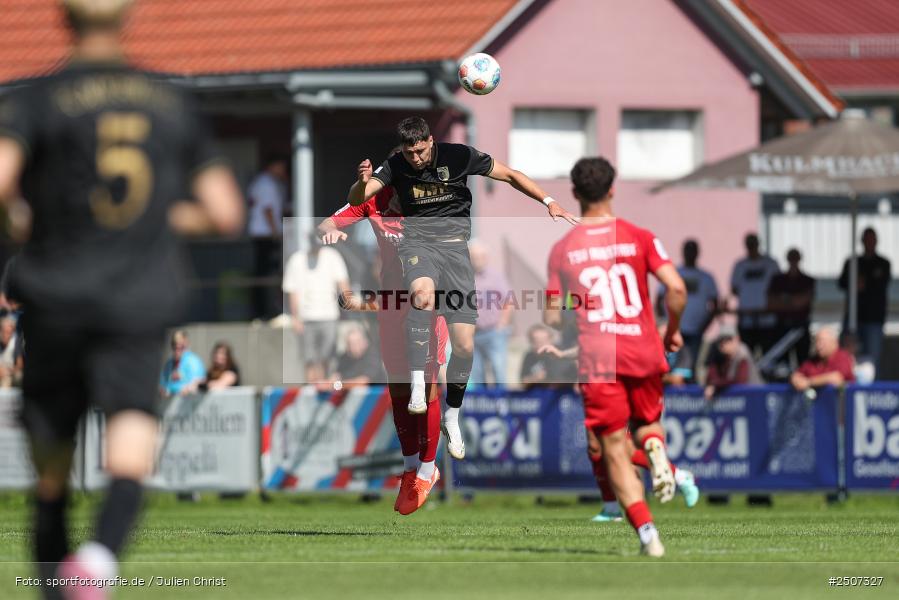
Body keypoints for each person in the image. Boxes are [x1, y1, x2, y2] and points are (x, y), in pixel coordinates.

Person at [0, 1, 244, 596]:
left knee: (51, 475)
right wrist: (155, 221)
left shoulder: (35, 98)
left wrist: (28, 221)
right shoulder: (171, 101)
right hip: (138, 299)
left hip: (58, 293)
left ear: (63, 19)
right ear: (128, 18)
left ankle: (60, 580)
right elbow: (225, 211)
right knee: (131, 437)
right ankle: (102, 557)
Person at [347, 116, 577, 461]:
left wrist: (548, 202)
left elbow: (511, 175)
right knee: (422, 296)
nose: (415, 158)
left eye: (420, 151)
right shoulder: (395, 164)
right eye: (409, 153)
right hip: (418, 247)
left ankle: (452, 416)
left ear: (429, 142)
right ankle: (417, 385)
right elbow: (359, 197)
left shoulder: (459, 156)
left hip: (456, 252)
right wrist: (360, 183)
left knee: (465, 348)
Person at [543, 156, 687, 557]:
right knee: (646, 426)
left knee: (612, 448)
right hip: (643, 346)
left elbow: (552, 317)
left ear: (574, 194)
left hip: (600, 356)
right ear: (612, 189)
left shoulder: (563, 249)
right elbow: (676, 289)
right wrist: (671, 333)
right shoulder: (639, 236)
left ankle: (648, 536)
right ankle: (657, 450)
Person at [318, 181, 449, 515]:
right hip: (391, 306)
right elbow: (328, 222)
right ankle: (409, 467)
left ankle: (427, 468)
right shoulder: (373, 201)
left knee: (428, 390)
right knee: (399, 391)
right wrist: (330, 232)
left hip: (426, 306)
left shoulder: (429, 203)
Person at [282, 232, 351, 383]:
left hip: (329, 316)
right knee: (310, 359)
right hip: (306, 318)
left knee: (327, 357)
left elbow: (342, 283)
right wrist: (295, 317)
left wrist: (347, 304)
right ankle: (312, 391)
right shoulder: (297, 260)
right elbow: (292, 291)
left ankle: (325, 388)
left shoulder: (333, 257)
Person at [656, 239, 718, 371]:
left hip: (696, 332)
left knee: (691, 366)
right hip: (674, 330)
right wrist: (666, 324)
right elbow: (659, 300)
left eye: (692, 250)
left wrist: (704, 326)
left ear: (697, 253)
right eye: (687, 250)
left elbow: (715, 304)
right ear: (683, 252)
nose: (690, 253)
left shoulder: (706, 277)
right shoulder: (672, 273)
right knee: (670, 366)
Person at [838, 227, 891, 378]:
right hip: (853, 318)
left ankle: (875, 395)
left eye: (872, 239)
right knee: (847, 358)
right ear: (862, 241)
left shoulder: (883, 263)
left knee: (873, 360)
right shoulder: (852, 262)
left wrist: (864, 284)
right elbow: (841, 283)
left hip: (873, 319)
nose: (869, 243)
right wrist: (853, 283)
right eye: (866, 239)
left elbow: (880, 285)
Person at [247, 155, 288, 319]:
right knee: (267, 275)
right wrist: (276, 233)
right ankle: (266, 312)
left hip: (260, 233)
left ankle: (263, 311)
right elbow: (268, 210)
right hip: (265, 234)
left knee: (262, 273)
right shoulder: (267, 184)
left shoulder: (261, 182)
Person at [469, 240, 513, 387]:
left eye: (481, 256)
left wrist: (502, 324)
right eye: (474, 256)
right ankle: (483, 408)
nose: (478, 260)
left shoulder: (496, 276)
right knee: (476, 374)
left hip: (494, 332)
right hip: (472, 335)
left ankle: (502, 407)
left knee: (498, 371)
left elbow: (508, 301)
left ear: (486, 257)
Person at [730, 233, 780, 357]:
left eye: (754, 243)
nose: (752, 246)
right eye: (749, 244)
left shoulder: (770, 264)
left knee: (768, 355)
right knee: (746, 356)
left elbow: (778, 288)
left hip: (767, 319)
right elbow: (734, 289)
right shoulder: (740, 265)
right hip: (746, 319)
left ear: (758, 244)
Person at [767, 248, 815, 364]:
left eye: (795, 258)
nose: (793, 261)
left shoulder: (807, 280)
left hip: (800, 325)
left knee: (803, 361)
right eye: (791, 258)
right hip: (782, 326)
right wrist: (793, 301)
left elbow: (801, 302)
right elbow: (771, 303)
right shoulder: (778, 280)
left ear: (799, 259)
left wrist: (783, 300)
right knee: (782, 362)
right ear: (787, 259)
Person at [703, 325, 762, 401]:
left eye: (728, 339)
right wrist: (714, 384)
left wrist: (716, 384)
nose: (724, 343)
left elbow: (740, 381)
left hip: (756, 397)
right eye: (721, 340)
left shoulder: (742, 353)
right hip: (735, 402)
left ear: (737, 339)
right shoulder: (719, 354)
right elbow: (710, 377)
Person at [790, 327, 855, 392]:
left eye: (822, 342)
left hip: (839, 401)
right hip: (816, 402)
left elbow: (836, 377)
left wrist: (808, 382)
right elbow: (797, 374)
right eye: (816, 342)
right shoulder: (813, 360)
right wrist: (796, 379)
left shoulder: (843, 357)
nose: (818, 346)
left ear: (834, 343)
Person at [519, 324, 575, 389]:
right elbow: (523, 381)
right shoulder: (529, 356)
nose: (541, 343)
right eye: (536, 340)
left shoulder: (561, 354)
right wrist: (535, 378)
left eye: (544, 340)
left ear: (551, 339)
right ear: (531, 342)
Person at [160, 331, 207, 397]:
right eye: (175, 347)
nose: (177, 351)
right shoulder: (169, 364)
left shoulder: (194, 362)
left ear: (186, 345)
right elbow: (163, 385)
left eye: (181, 347)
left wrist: (189, 387)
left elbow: (199, 383)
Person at [0, 315, 23, 388]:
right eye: (4, 332)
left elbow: (20, 364)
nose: (7, 335)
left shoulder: (16, 341)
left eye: (9, 332)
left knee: (14, 378)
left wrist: (9, 372)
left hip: (11, 370)